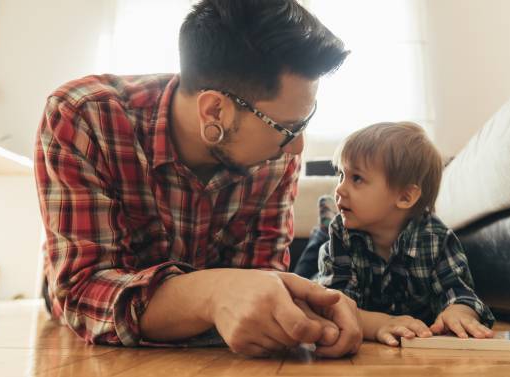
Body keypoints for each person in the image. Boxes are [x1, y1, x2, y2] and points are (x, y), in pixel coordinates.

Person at [34, 0, 363, 358]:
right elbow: (82, 293)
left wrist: (312, 308)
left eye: (304, 122)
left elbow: (261, 279)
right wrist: (212, 293)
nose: (297, 147)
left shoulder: (275, 157)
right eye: (288, 128)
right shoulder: (85, 117)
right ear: (214, 111)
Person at [311, 122, 496, 346]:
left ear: (406, 197)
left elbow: (458, 291)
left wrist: (459, 312)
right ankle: (321, 228)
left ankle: (322, 223)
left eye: (357, 178)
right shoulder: (341, 237)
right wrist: (379, 324)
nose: (339, 188)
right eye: (341, 174)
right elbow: (334, 308)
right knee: (304, 286)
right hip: (325, 270)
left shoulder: (436, 238)